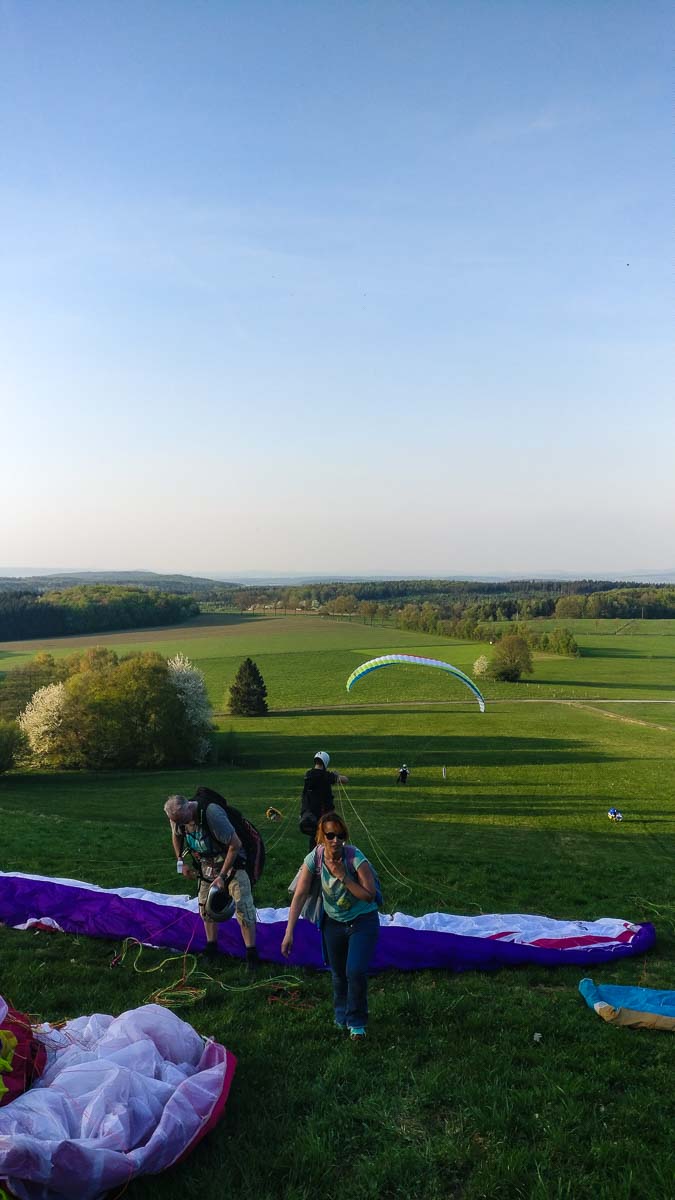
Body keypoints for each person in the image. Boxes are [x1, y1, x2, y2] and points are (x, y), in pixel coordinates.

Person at [282, 811, 379, 1040]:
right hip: (333, 923)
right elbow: (300, 894)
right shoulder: (314, 859)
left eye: (340, 835)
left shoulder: (355, 857)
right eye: (330, 835)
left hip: (362, 921)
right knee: (338, 973)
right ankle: (341, 1016)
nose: (336, 840)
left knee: (355, 971)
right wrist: (289, 932)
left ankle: (357, 1022)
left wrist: (343, 876)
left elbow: (369, 895)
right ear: (321, 837)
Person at [164, 792, 259, 970]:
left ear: (188, 807)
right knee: (205, 907)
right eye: (177, 822)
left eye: (183, 820)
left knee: (243, 906)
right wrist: (180, 862)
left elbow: (235, 845)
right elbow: (176, 835)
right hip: (206, 866)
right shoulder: (177, 818)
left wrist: (222, 877)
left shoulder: (212, 814)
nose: (181, 825)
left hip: (233, 864)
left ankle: (252, 954)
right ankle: (212, 947)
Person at [299, 750, 349, 850]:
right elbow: (345, 780)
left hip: (309, 814)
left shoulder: (308, 774)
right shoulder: (326, 776)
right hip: (323, 815)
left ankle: (313, 857)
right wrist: (336, 775)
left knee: (314, 838)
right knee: (325, 838)